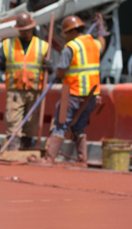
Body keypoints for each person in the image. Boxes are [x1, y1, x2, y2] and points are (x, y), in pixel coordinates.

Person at [44, 14, 105, 164]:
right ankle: (82, 159)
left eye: (65, 33)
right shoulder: (93, 43)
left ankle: (49, 158)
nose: (63, 36)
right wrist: (100, 27)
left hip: (71, 93)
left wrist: (51, 68)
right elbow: (102, 42)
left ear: (71, 32)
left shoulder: (71, 47)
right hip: (91, 95)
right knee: (79, 127)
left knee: (60, 124)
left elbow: (60, 71)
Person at [0, 12, 52, 151]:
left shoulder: (42, 46)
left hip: (34, 90)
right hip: (15, 90)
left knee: (31, 123)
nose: (24, 33)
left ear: (32, 28)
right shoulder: (9, 44)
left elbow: (49, 69)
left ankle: (26, 148)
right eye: (21, 30)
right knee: (13, 120)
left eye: (26, 30)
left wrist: (49, 66)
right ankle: (13, 148)